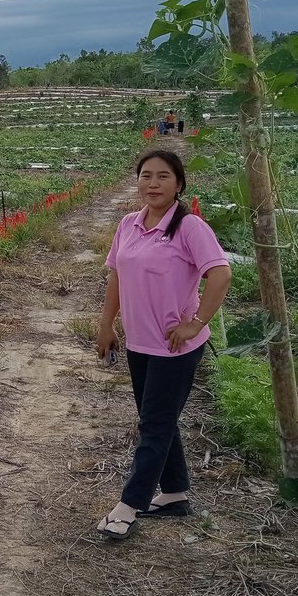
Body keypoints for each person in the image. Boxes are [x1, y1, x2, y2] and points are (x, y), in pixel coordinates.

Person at [94, 149, 231, 540]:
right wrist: (106, 325)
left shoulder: (190, 228)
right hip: (140, 342)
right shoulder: (128, 224)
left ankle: (128, 506)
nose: (153, 183)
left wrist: (196, 323)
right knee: (158, 420)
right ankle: (174, 494)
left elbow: (220, 275)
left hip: (175, 348)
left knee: (153, 425)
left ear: (179, 184)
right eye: (146, 176)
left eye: (163, 177)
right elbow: (117, 276)